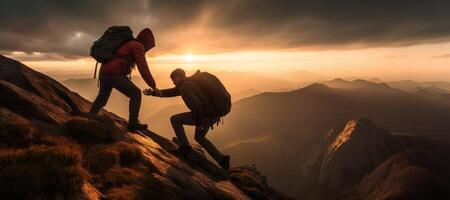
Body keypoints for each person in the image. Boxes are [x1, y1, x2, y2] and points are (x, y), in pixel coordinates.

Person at [144, 68, 230, 170]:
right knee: (199, 137)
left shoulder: (185, 87)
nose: (173, 82)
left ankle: (185, 147)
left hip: (205, 115)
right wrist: (153, 93)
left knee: (175, 120)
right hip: (214, 113)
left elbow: (197, 106)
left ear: (178, 77)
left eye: (173, 79)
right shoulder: (189, 82)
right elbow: (171, 92)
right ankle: (222, 160)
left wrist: (199, 124)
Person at [90, 28, 159, 131]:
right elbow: (143, 68)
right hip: (114, 74)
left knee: (102, 97)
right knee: (135, 94)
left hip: (104, 72)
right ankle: (133, 123)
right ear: (146, 42)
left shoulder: (128, 43)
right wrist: (153, 86)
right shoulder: (138, 46)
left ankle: (90, 117)